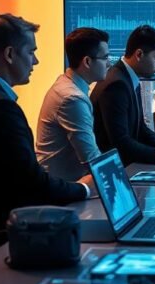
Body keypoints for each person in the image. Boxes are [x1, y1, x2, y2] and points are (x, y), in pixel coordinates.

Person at [0, 14, 91, 231]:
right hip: (5, 233)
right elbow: (32, 186)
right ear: (10, 54)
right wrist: (83, 189)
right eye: (31, 52)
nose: (35, 61)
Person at [91, 25, 155, 166]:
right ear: (139, 55)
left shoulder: (127, 78)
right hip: (117, 168)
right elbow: (121, 142)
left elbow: (140, 128)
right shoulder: (116, 84)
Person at [36, 27, 109, 187]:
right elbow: (92, 159)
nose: (109, 63)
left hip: (61, 184)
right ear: (87, 62)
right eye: (105, 58)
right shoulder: (72, 98)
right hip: (63, 191)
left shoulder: (66, 84)